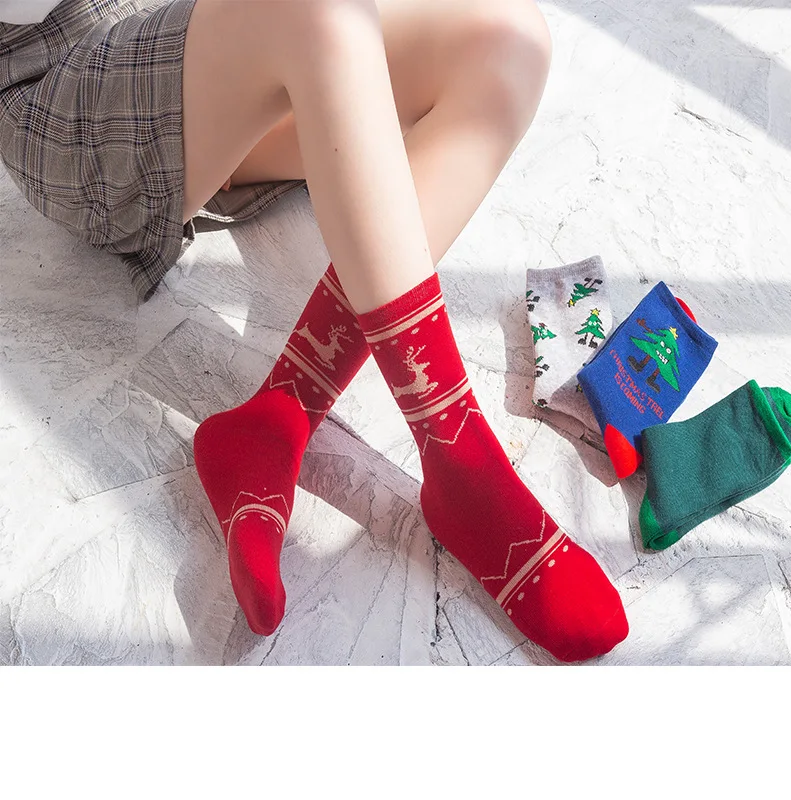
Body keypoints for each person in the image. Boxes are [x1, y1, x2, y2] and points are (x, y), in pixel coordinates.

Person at [0, 0, 628, 662]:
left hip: (220, 62)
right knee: (323, 12)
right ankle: (461, 458)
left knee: (507, 41)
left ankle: (277, 416)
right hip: (71, 94)